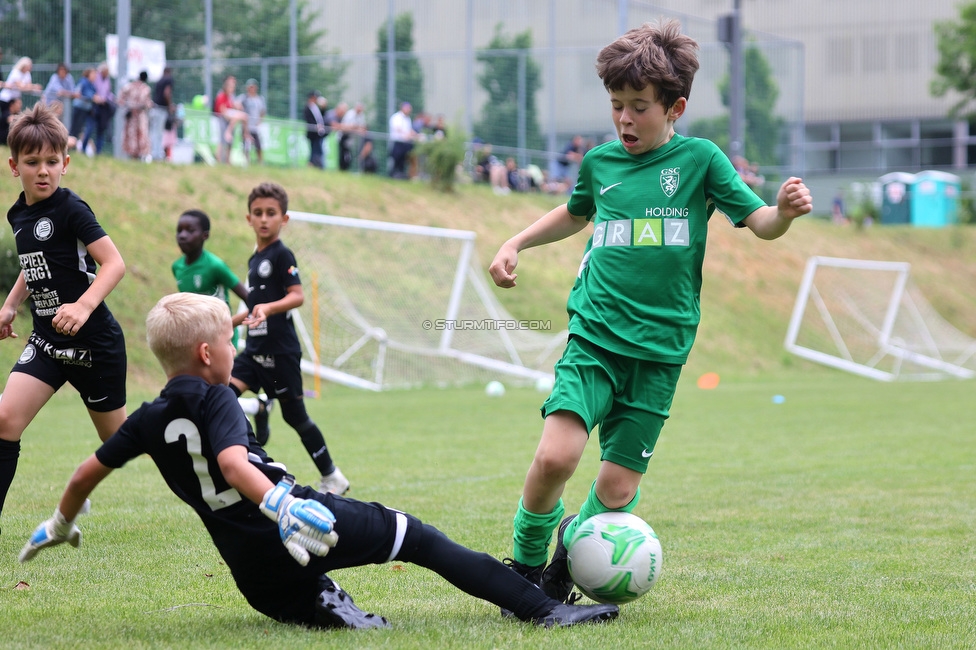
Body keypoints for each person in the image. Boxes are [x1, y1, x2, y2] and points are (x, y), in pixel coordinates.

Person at [18, 292, 619, 630]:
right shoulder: (217, 396)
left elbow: (82, 474)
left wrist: (62, 524)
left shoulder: (149, 418)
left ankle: (326, 604)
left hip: (253, 574)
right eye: (230, 340)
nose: (236, 348)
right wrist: (281, 504)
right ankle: (543, 610)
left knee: (308, 602)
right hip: (302, 522)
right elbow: (232, 463)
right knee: (422, 541)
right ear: (207, 353)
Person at [487, 19, 812, 604]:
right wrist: (515, 243)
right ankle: (526, 563)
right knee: (556, 455)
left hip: (661, 352)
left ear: (675, 107)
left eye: (639, 106)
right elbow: (574, 213)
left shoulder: (701, 161)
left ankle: (569, 553)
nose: (624, 120)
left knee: (614, 490)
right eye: (616, 106)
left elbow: (759, 223)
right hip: (596, 337)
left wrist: (783, 212)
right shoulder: (601, 164)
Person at [0, 103, 128, 534]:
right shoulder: (17, 214)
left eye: (52, 162)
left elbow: (113, 264)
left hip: (94, 344)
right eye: (32, 163)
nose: (43, 171)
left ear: (65, 164)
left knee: (121, 444)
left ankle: (196, 423)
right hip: (47, 342)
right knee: (4, 420)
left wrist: (83, 305)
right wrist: (12, 304)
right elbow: (33, 261)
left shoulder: (72, 209)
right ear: (14, 165)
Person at [230, 182, 349, 494]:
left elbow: (296, 296)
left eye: (271, 213)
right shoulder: (254, 260)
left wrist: (268, 308)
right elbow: (255, 308)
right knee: (223, 397)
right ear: (248, 219)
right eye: (258, 213)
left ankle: (332, 475)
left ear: (284, 219)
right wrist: (225, 322)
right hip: (253, 351)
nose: (264, 219)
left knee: (295, 417)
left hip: (280, 352)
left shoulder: (283, 255)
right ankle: (251, 465)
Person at [171, 209, 271, 443]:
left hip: (222, 336)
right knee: (209, 392)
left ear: (205, 235)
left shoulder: (215, 265)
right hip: (196, 339)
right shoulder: (177, 267)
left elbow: (248, 297)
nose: (183, 235)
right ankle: (257, 408)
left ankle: (241, 442)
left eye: (190, 230)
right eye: (179, 230)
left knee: (218, 390)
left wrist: (247, 321)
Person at [118, 71, 154, 161]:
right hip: (140, 115)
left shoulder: (130, 86)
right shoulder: (146, 88)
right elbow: (148, 104)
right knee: (141, 134)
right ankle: (137, 155)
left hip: (131, 114)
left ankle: (133, 154)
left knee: (131, 134)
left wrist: (125, 104)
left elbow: (121, 95)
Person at [214, 75, 249, 164]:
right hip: (223, 119)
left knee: (229, 142)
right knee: (222, 141)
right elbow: (222, 111)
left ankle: (227, 161)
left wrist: (237, 108)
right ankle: (218, 159)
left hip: (229, 119)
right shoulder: (221, 95)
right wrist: (233, 116)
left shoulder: (231, 96)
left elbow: (232, 106)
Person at [88, 63, 116, 155]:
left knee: (101, 129)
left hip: (104, 108)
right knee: (90, 128)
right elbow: (92, 90)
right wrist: (97, 97)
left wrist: (112, 99)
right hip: (95, 106)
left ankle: (99, 151)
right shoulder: (96, 77)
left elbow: (108, 93)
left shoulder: (107, 80)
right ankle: (85, 148)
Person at [150, 66, 175, 162]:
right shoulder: (169, 80)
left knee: (154, 132)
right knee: (159, 133)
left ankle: (154, 153)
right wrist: (169, 106)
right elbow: (167, 93)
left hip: (155, 108)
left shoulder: (159, 80)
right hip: (161, 109)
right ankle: (156, 155)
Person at [239, 79, 266, 164]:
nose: (252, 89)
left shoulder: (260, 99)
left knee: (258, 145)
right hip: (246, 125)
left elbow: (262, 111)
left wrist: (260, 121)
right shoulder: (244, 98)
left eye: (253, 87)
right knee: (246, 145)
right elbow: (237, 104)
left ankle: (260, 162)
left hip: (255, 126)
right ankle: (246, 162)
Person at [388, 101, 417, 179]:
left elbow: (409, 130)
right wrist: (407, 134)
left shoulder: (408, 119)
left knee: (403, 160)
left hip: (405, 143)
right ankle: (393, 175)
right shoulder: (396, 117)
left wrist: (415, 134)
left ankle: (401, 175)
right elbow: (398, 129)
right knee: (396, 159)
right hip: (398, 142)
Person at [70, 67, 96, 148]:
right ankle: (70, 146)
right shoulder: (84, 81)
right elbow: (84, 93)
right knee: (75, 128)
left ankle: (75, 146)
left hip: (85, 109)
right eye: (93, 74)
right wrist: (93, 97)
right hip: (79, 107)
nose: (95, 76)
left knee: (79, 129)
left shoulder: (91, 84)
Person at [303, 90, 326, 169]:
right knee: (314, 150)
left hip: (318, 133)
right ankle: (312, 165)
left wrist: (323, 108)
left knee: (317, 150)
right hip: (313, 133)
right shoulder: (308, 107)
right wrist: (316, 126)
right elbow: (308, 119)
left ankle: (315, 165)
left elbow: (321, 117)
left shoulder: (315, 107)